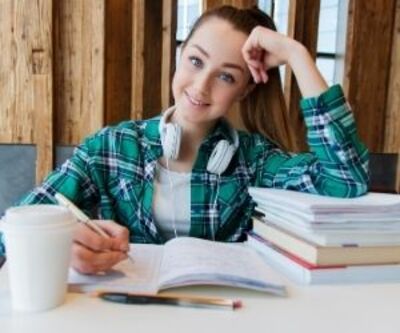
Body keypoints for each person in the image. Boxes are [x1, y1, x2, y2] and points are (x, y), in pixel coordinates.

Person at [0, 5, 369, 274]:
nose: (201, 86)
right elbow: (11, 229)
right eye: (196, 61)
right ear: (180, 56)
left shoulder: (254, 160)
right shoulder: (110, 148)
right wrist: (62, 242)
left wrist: (297, 55)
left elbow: (345, 179)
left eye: (226, 77)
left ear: (242, 92)